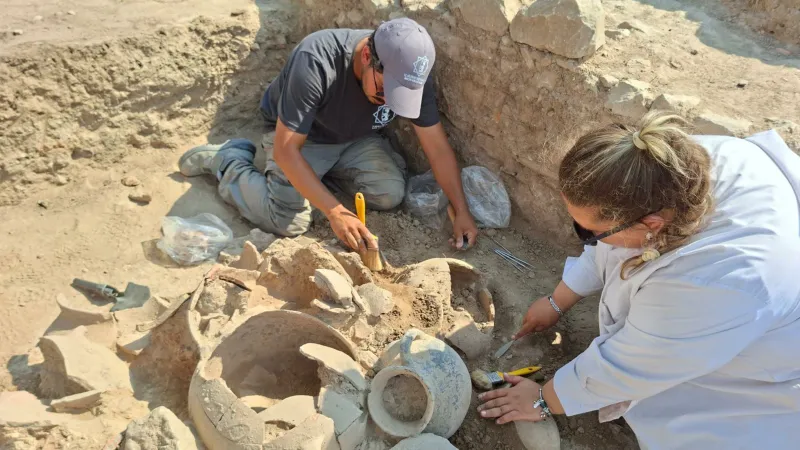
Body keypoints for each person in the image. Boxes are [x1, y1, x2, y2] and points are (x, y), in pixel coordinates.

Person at [477, 112, 800, 448]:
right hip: (728, 301)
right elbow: (610, 245)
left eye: (589, 231)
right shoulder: (658, 169)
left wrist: (544, 399)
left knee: (688, 426)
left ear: (651, 225)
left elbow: (626, 367)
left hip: (767, 359)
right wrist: (558, 300)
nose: (588, 238)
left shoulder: (714, 284)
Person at [177, 18, 478, 251]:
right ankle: (227, 161)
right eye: (387, 91)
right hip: (305, 139)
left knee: (389, 195)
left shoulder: (409, 75)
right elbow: (286, 150)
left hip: (358, 138)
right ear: (367, 57)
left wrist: (461, 210)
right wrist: (335, 211)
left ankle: (316, 178)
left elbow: (436, 148)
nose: (391, 102)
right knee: (287, 219)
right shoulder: (317, 60)